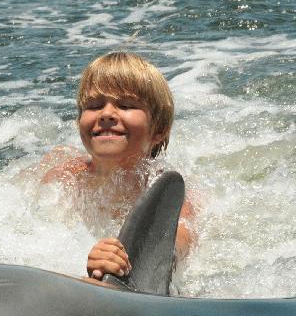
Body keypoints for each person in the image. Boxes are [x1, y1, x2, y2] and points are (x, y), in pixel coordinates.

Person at [42, 51, 194, 286]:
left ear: (159, 129)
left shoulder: (169, 192)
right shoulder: (62, 178)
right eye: (93, 106)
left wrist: (125, 263)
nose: (106, 114)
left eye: (125, 105)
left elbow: (174, 247)